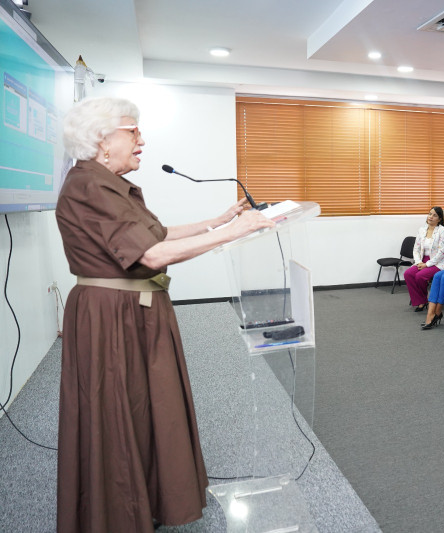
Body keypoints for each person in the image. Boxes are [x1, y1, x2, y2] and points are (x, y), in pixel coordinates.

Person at [55, 98, 276, 532]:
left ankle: (146, 498)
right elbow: (153, 254)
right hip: (112, 318)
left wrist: (217, 222)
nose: (142, 140)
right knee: (120, 410)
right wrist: (237, 230)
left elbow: (155, 234)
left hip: (130, 312)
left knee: (142, 408)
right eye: (132, 131)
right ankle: (119, 512)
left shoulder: (106, 183)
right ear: (102, 140)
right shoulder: (92, 187)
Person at [404, 207, 444, 311]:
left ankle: (423, 301)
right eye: (430, 214)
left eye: (434, 215)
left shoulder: (442, 231)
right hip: (422, 260)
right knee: (408, 274)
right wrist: (419, 262)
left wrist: (427, 264)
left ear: (439, 219)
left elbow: (442, 252)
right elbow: (416, 248)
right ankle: (421, 300)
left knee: (420, 276)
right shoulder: (422, 229)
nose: (431, 217)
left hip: (438, 262)